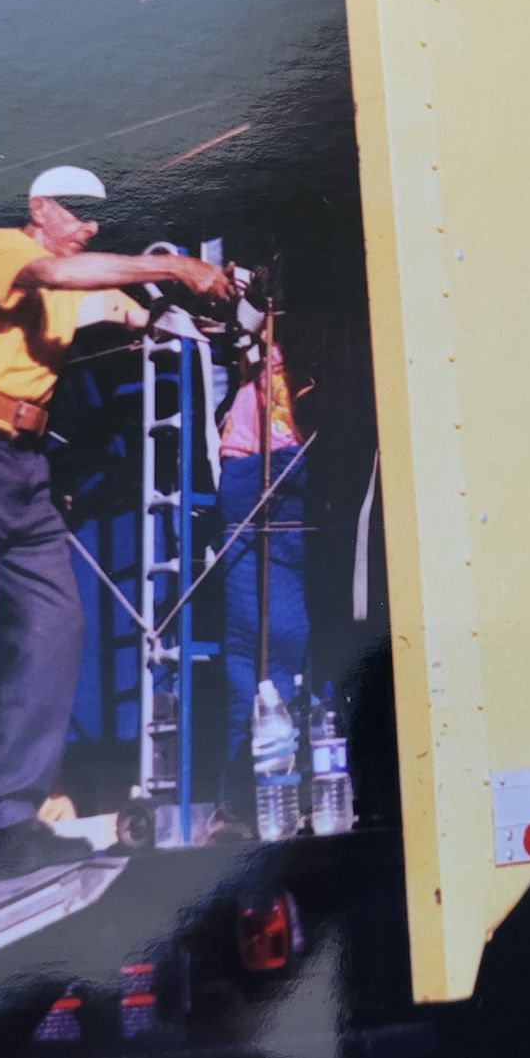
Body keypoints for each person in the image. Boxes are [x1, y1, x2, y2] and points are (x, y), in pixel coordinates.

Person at [0, 165, 234, 878]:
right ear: (39, 207)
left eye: (95, 217)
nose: (89, 225)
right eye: (77, 211)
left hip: (23, 464)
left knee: (57, 626)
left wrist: (215, 304)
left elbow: (130, 311)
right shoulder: (1, 249)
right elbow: (60, 273)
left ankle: (14, 815)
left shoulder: (72, 286)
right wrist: (175, 267)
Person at [219, 334, 317, 803]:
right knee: (257, 643)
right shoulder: (264, 330)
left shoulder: (299, 336)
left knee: (278, 644)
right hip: (255, 469)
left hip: (278, 465)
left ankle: (278, 789)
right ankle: (254, 796)